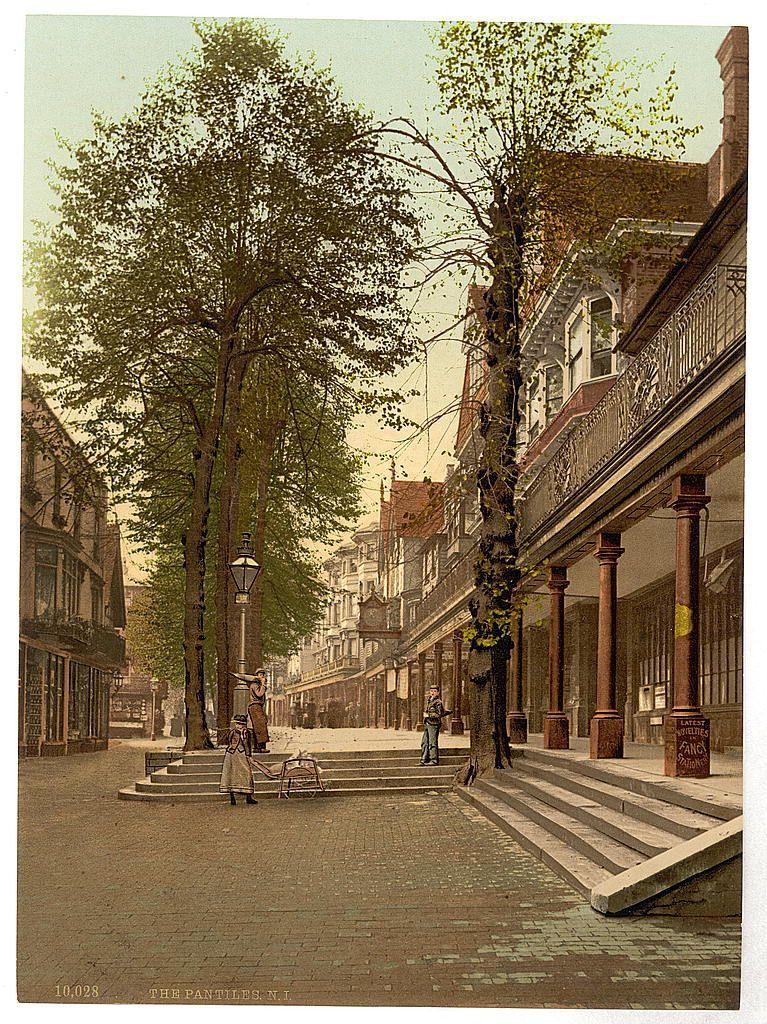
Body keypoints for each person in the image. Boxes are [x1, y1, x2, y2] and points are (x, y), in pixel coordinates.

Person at [219, 715, 257, 806]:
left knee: (247, 773)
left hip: (242, 754)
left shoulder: (247, 733)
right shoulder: (232, 732)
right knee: (231, 774)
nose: (239, 726)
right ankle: (232, 798)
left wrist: (248, 755)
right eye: (238, 724)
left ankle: (248, 797)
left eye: (242, 725)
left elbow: (248, 744)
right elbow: (227, 741)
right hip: (232, 754)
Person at [420, 684, 451, 766]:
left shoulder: (438, 702)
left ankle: (433, 760)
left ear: (438, 692)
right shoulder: (429, 700)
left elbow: (439, 714)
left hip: (434, 724)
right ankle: (424, 759)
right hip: (428, 723)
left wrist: (429, 715)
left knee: (432, 743)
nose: (432, 693)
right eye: (431, 691)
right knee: (424, 742)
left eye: (434, 691)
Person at [247, 668, 270, 752]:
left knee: (257, 726)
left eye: (263, 674)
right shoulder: (255, 685)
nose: (263, 676)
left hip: (257, 706)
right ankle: (261, 747)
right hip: (255, 706)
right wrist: (263, 684)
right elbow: (259, 694)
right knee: (261, 726)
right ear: (257, 676)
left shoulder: (256, 684)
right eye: (261, 675)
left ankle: (257, 747)